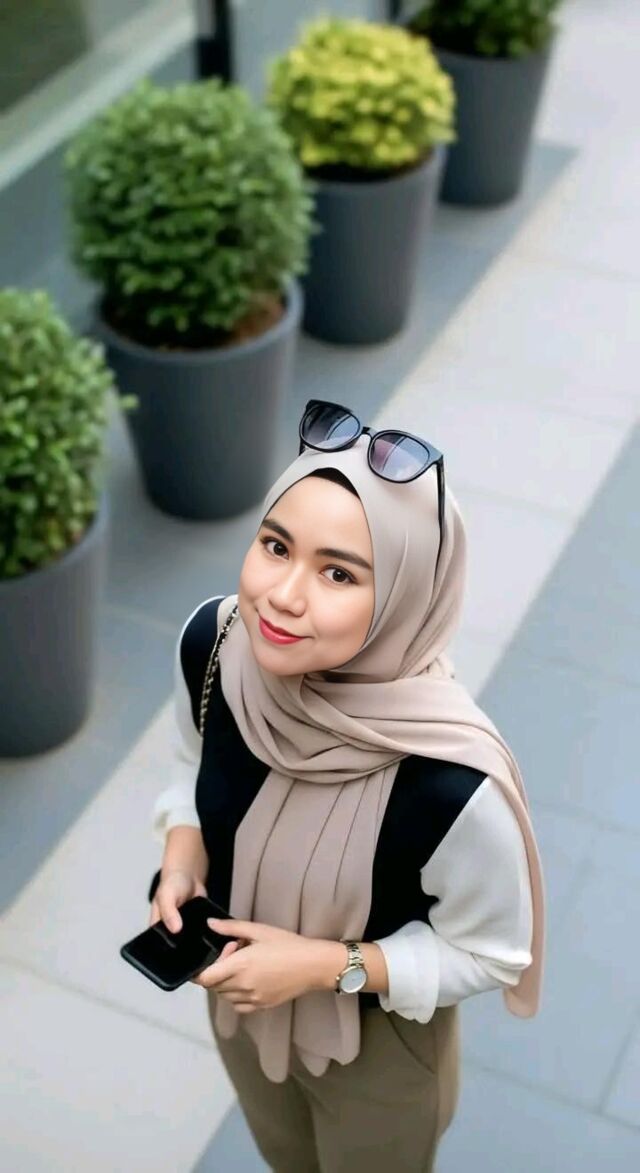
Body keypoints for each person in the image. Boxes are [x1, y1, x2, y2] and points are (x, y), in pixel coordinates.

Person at [149, 399, 545, 1173]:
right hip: (240, 1005)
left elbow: (495, 953)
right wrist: (182, 851)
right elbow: (188, 755)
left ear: (404, 594)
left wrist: (323, 965)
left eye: (338, 572)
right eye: (275, 546)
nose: (283, 595)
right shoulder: (216, 645)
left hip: (380, 1050)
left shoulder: (451, 780)